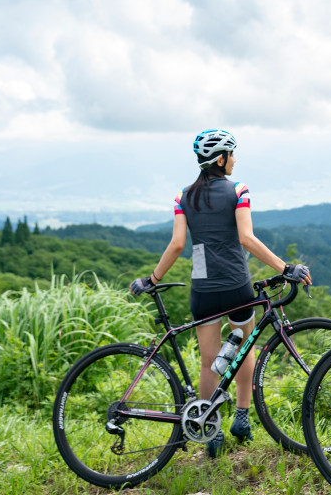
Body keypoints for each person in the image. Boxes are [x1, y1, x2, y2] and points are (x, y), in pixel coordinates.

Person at [131, 129, 311, 458]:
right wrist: (284, 268)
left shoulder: (183, 197)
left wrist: (153, 278)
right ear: (220, 159)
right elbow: (246, 238)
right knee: (243, 348)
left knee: (208, 363)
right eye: (232, 153)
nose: (235, 159)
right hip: (236, 285)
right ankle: (241, 418)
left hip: (203, 288)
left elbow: (178, 245)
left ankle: (209, 427)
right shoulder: (238, 191)